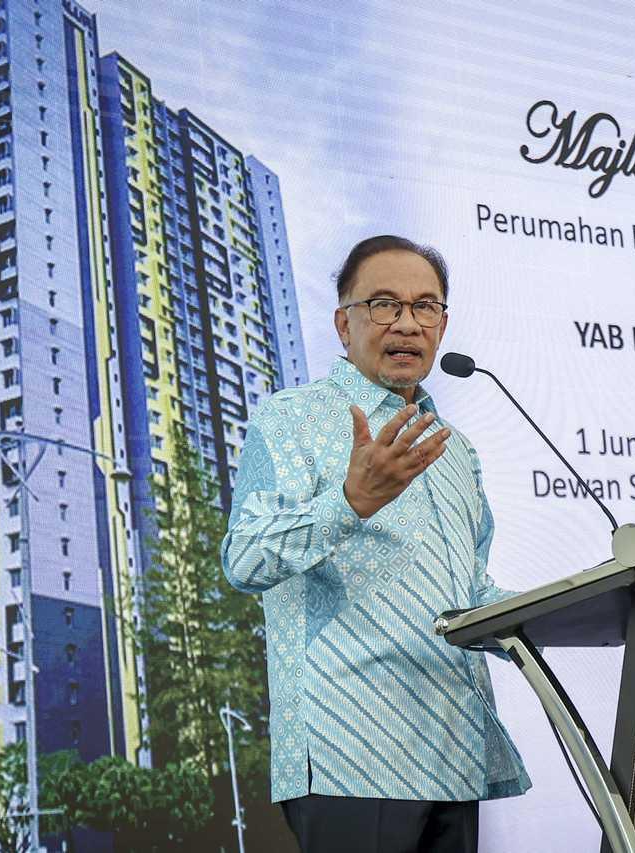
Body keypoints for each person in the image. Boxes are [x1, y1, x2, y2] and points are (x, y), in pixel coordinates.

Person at [221, 235, 530, 853]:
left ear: (442, 324)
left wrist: (562, 609)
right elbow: (244, 559)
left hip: (453, 747)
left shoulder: (455, 450)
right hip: (349, 752)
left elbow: (466, 592)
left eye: (426, 306)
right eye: (384, 305)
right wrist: (350, 503)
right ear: (344, 324)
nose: (407, 323)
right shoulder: (291, 419)